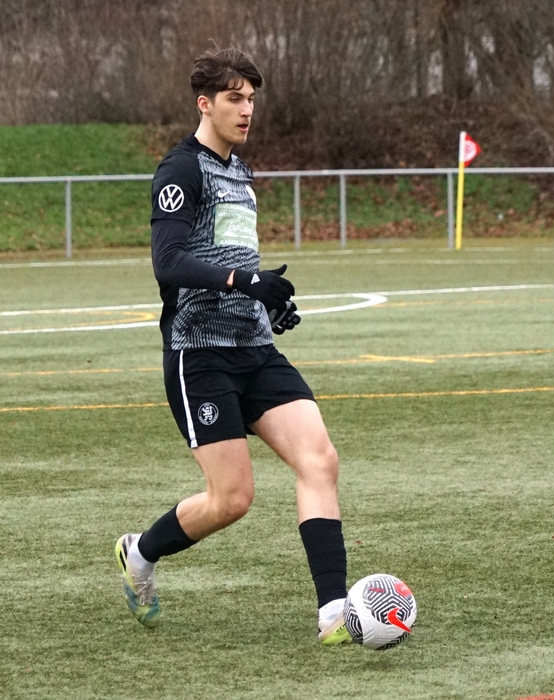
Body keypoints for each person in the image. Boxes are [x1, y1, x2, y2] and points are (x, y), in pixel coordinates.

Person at [114, 47, 351, 646]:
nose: (247, 110)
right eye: (234, 98)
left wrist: (266, 300)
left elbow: (231, 258)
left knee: (320, 460)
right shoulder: (181, 170)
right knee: (232, 499)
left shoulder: (241, 172)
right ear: (205, 103)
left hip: (255, 349)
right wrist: (246, 281)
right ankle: (141, 552)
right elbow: (169, 262)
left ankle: (334, 613)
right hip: (200, 354)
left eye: (251, 99)